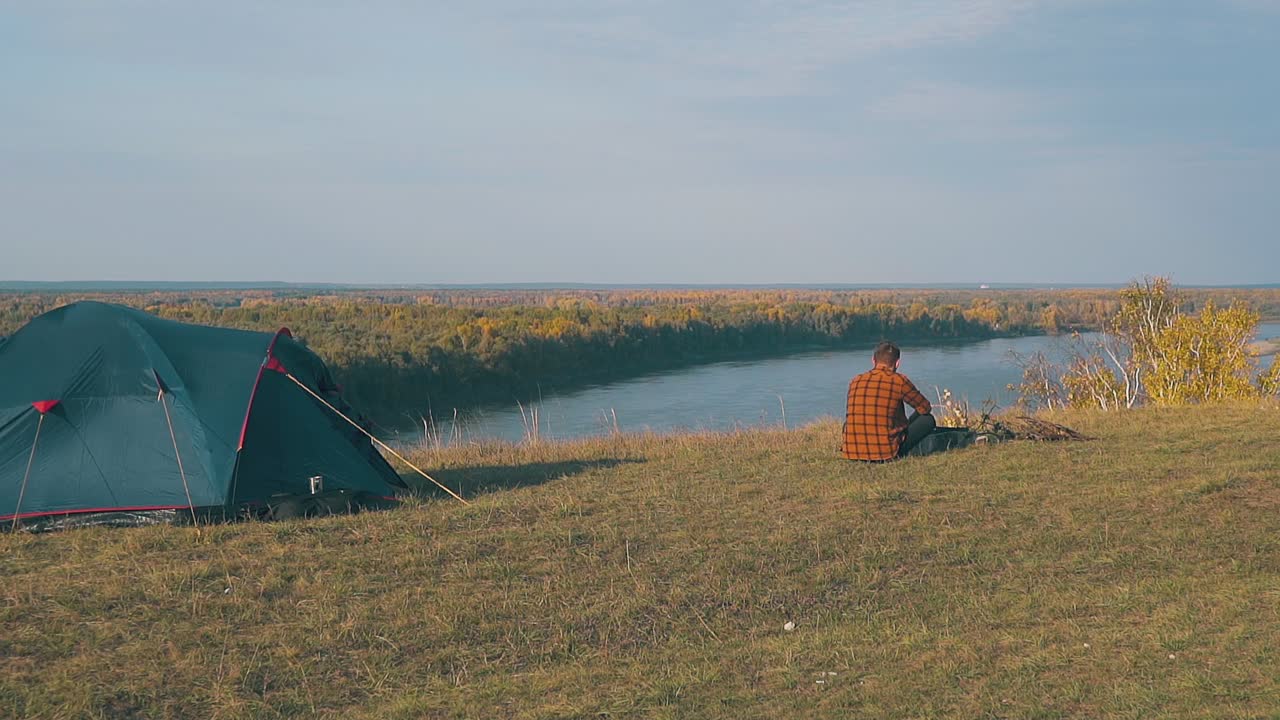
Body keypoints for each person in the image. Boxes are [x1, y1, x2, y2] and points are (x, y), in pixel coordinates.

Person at [842, 341, 936, 462]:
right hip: (885, 453)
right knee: (927, 419)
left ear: (873, 360)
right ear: (897, 363)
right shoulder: (899, 380)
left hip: (852, 452)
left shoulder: (855, 380)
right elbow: (925, 408)